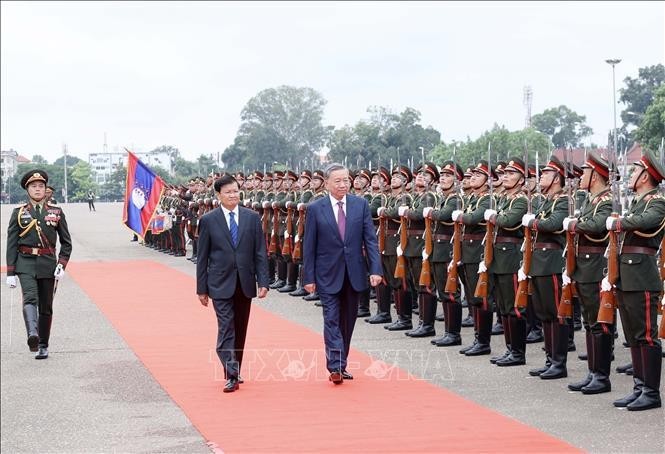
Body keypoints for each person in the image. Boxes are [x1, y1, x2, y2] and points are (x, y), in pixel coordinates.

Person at [303, 163, 383, 384]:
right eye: (337, 181)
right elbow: (309, 246)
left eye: (346, 180)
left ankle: (341, 362)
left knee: (347, 320)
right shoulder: (316, 208)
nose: (343, 184)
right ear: (326, 183)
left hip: (354, 272)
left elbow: (370, 241)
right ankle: (335, 366)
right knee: (331, 318)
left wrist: (375, 269)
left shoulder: (360, 205)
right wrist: (308, 277)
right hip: (327, 273)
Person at [196, 174, 269, 393]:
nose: (233, 195)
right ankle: (231, 373)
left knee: (240, 328)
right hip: (219, 282)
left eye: (236, 191)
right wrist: (201, 289)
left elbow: (260, 253)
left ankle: (235, 368)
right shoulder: (209, 220)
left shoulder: (252, 217)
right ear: (218, 195)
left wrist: (263, 280)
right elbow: (203, 257)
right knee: (226, 327)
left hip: (245, 282)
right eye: (228, 192)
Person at [606, 149, 664, 411]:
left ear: (645, 176)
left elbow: (649, 221)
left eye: (634, 170)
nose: (630, 175)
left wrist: (620, 222)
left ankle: (651, 392)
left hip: (642, 275)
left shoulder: (657, 202)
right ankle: (640, 386)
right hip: (627, 275)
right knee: (633, 335)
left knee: (647, 335)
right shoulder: (639, 202)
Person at [5, 169, 72, 359]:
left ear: (45, 190)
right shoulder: (18, 213)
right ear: (27, 190)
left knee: (46, 306)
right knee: (30, 298)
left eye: (40, 186)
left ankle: (43, 344)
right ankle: (32, 334)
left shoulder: (56, 212)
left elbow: (66, 242)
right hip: (25, 263)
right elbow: (11, 243)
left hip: (48, 263)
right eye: (33, 186)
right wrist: (10, 272)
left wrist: (62, 263)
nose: (37, 189)